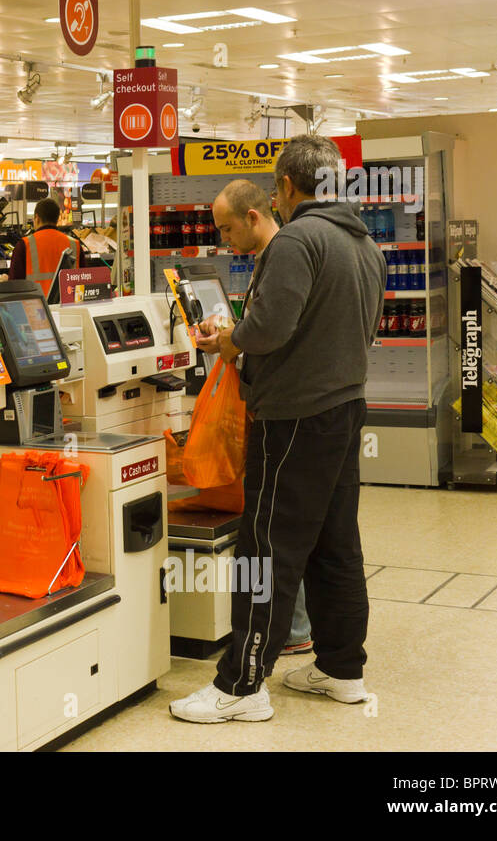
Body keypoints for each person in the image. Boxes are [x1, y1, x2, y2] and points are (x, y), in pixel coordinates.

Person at [170, 135, 386, 723]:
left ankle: (241, 685)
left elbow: (267, 328)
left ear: (287, 188)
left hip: (292, 419)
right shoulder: (365, 244)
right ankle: (342, 669)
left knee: (265, 547)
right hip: (345, 411)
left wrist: (228, 342)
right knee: (336, 545)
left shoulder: (297, 240)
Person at [212, 180, 310, 656]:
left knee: (268, 530)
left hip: (283, 414)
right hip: (299, 410)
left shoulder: (284, 254)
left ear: (253, 217)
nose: (225, 240)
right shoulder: (277, 257)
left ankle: (280, 636)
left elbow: (269, 330)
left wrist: (232, 341)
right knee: (296, 528)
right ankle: (299, 629)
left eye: (228, 229)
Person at [9, 198, 82, 298]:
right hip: (69, 307)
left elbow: (14, 286)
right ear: (57, 218)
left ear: (37, 218)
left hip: (36, 308)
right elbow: (84, 280)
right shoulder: (75, 244)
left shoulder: (24, 245)